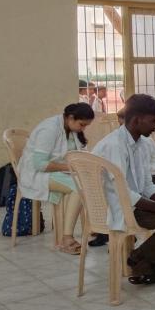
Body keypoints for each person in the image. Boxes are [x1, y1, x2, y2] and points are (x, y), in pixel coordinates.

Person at [93, 94, 155, 284]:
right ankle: (139, 259)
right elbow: (124, 193)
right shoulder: (114, 145)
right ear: (137, 120)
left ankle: (147, 262)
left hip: (132, 203)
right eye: (153, 120)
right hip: (118, 208)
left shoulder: (142, 143)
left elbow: (146, 185)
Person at [18, 103, 94, 254]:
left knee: (92, 181)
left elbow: (77, 153)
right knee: (79, 188)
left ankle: (96, 227)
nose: (83, 129)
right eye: (82, 124)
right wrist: (70, 168)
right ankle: (67, 239)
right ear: (70, 118)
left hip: (59, 170)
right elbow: (40, 164)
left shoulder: (71, 129)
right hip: (37, 173)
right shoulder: (49, 129)